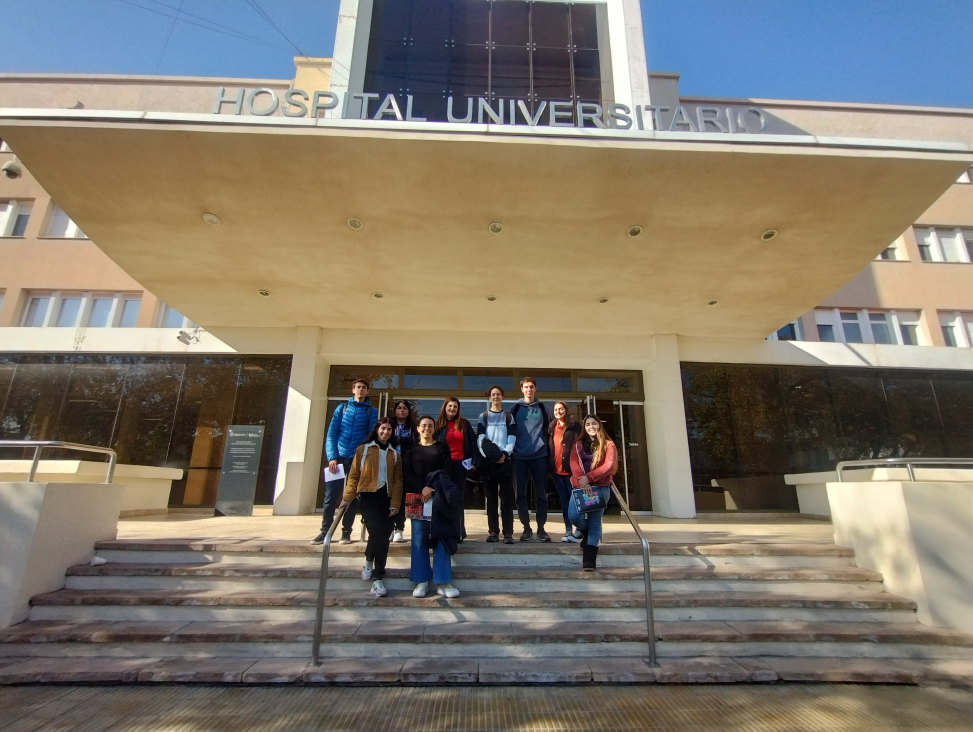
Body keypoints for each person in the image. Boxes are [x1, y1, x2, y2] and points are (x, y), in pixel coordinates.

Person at [337, 417, 402, 597]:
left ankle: (378, 578)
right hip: (369, 497)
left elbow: (398, 481)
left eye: (389, 430)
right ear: (377, 430)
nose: (385, 432)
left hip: (387, 499)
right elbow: (353, 475)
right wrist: (347, 497)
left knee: (383, 538)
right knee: (376, 534)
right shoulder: (363, 449)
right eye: (383, 429)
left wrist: (395, 503)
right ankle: (369, 561)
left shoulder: (394, 454)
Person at [313, 378, 377, 545]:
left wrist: (361, 455)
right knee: (330, 495)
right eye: (358, 387)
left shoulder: (371, 411)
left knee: (351, 496)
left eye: (364, 388)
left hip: (357, 459)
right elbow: (332, 433)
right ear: (353, 390)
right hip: (338, 458)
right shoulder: (342, 408)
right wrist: (332, 457)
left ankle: (346, 532)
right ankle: (325, 531)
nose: (361, 390)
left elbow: (371, 435)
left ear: (367, 391)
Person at [404, 415, 461, 598]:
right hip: (416, 498)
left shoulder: (442, 447)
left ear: (434, 428)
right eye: (423, 426)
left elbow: (447, 471)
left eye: (430, 426)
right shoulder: (411, 450)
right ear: (418, 429)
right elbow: (406, 473)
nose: (427, 429)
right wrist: (422, 488)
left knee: (441, 537)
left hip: (438, 497)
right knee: (419, 539)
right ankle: (421, 580)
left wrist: (432, 488)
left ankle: (443, 581)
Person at [568, 414, 619, 571]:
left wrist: (589, 478)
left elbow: (608, 466)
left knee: (595, 521)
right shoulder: (578, 444)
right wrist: (583, 482)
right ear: (584, 427)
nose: (591, 427)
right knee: (574, 516)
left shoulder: (608, 445)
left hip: (600, 488)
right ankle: (587, 533)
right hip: (580, 488)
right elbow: (574, 463)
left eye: (594, 424)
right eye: (588, 424)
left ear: (599, 425)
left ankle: (589, 560)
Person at [509, 377, 552, 542]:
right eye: (526, 387)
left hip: (539, 455)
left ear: (535, 389)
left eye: (531, 387)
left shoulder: (542, 407)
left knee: (541, 494)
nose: (529, 389)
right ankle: (526, 528)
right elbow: (510, 430)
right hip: (519, 456)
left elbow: (549, 429)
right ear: (522, 389)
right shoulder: (515, 408)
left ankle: (541, 529)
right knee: (520, 494)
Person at [475, 385, 517, 544]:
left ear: (502, 397)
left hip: (505, 462)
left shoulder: (508, 417)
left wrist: (505, 454)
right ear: (489, 397)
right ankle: (493, 532)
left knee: (506, 498)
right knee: (491, 498)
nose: (496, 397)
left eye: (498, 394)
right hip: (489, 463)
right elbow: (480, 439)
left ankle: (508, 533)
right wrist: (491, 456)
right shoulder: (483, 416)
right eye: (493, 394)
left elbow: (512, 438)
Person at [433, 397, 476, 541]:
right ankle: (444, 530)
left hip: (460, 465)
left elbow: (473, 442)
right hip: (443, 465)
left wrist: (473, 460)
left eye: (455, 407)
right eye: (450, 406)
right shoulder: (438, 425)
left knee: (457, 498)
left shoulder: (464, 424)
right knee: (443, 498)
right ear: (445, 407)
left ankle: (459, 531)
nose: (452, 409)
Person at [548, 401, 583, 543]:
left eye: (561, 409)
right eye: (556, 409)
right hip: (557, 471)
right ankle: (568, 530)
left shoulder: (575, 426)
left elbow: (582, 445)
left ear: (566, 410)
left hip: (571, 472)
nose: (558, 411)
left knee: (575, 501)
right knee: (565, 501)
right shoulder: (552, 427)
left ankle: (579, 530)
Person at [390, 400, 419, 543]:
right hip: (390, 466)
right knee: (389, 497)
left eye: (405, 408)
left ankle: (399, 529)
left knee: (402, 497)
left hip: (407, 466)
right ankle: (388, 527)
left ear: (408, 411)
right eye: (399, 408)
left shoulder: (413, 427)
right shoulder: (388, 424)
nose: (401, 410)